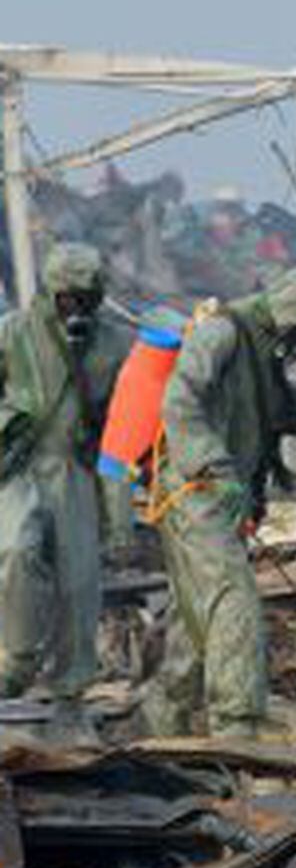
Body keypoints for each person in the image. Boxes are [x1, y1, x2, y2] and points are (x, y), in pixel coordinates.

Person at [144, 262, 296, 737]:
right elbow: (180, 400)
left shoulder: (262, 343)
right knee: (233, 601)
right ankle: (238, 723)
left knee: (196, 616)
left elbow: (260, 400)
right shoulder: (222, 332)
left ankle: (162, 721)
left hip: (221, 494)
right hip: (195, 489)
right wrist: (212, 464)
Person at [0, 244, 130, 727]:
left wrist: (120, 515)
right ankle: (16, 658)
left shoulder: (117, 343)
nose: (74, 307)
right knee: (16, 551)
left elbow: (126, 421)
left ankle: (71, 685)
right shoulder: (15, 332)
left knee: (78, 582)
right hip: (22, 463)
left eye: (84, 297)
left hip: (77, 468)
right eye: (65, 297)